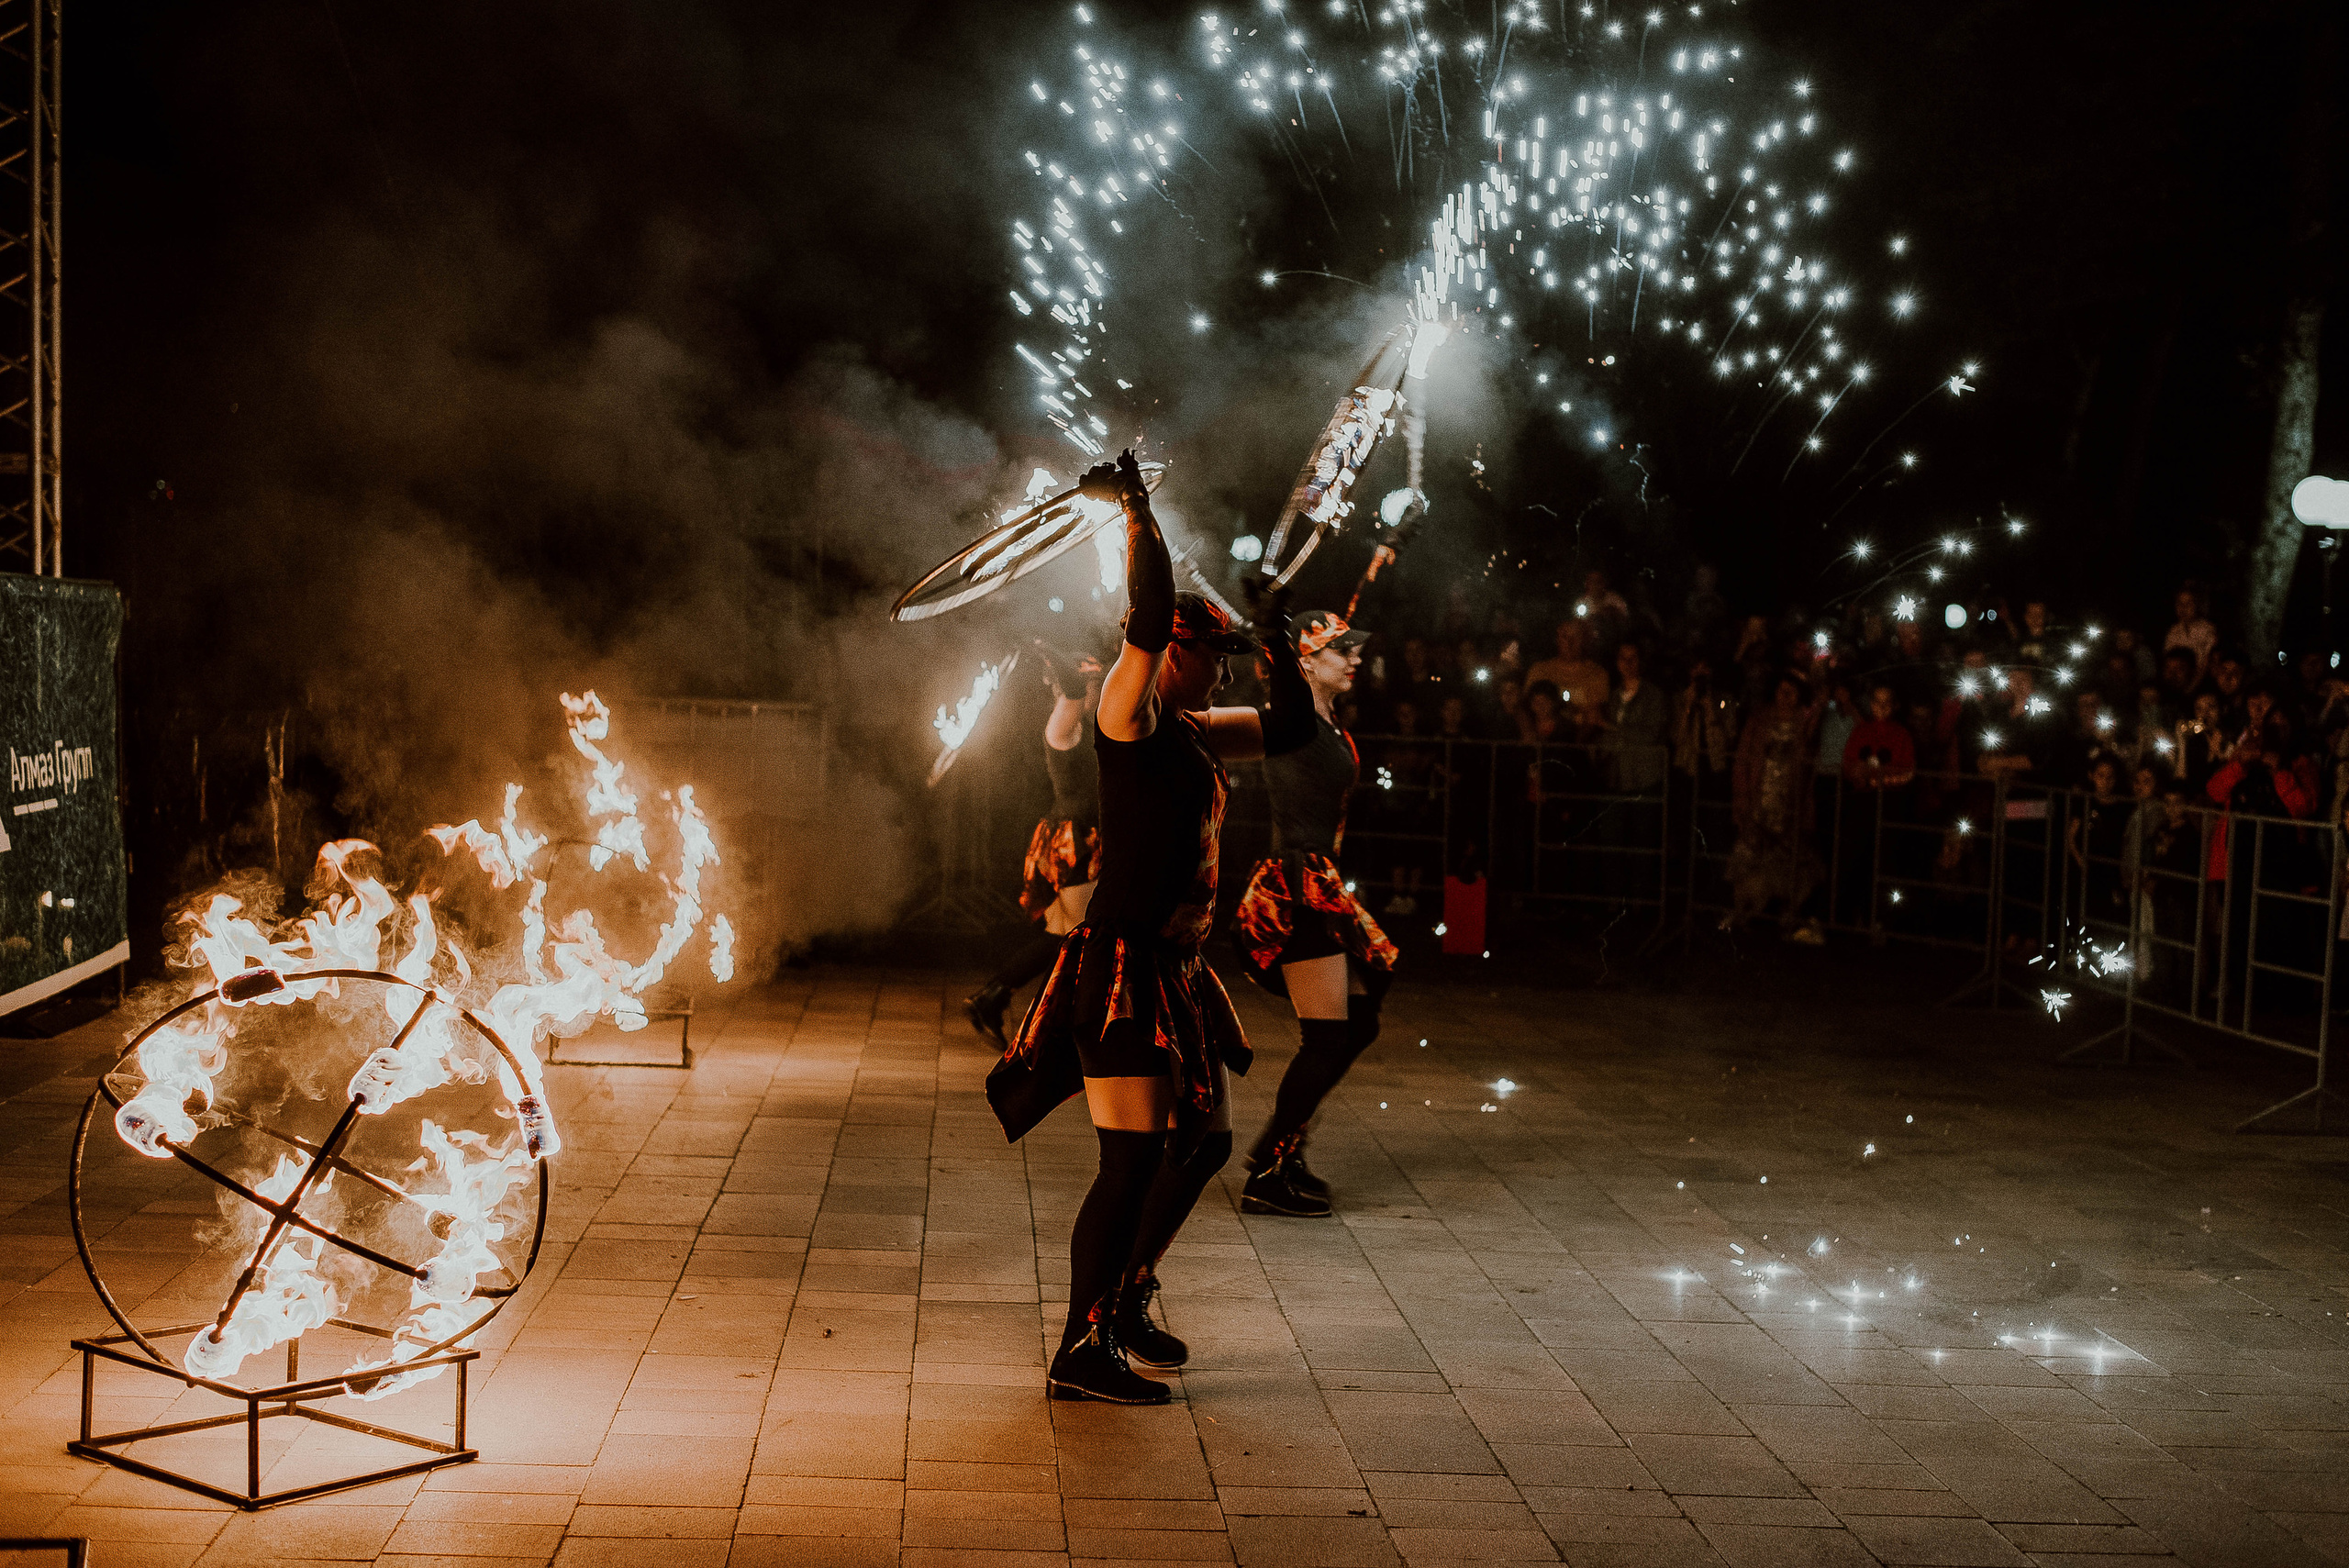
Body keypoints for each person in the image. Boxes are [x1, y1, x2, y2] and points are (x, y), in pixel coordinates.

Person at [985, 450, 1316, 1405]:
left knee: (1202, 1143)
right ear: (1172, 650)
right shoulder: (1127, 715)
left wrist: (1278, 637)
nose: (1219, 671)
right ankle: (1080, 1347)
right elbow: (1146, 613)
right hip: (1122, 968)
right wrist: (1134, 508)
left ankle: (1126, 1297)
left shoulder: (1199, 729)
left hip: (1176, 969)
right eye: (1210, 655)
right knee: (1128, 1159)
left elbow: (1291, 727)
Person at [1233, 610, 1400, 1218]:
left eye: (1354, 648)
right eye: (1340, 649)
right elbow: (1281, 681)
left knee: (1360, 1021)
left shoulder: (1327, 719)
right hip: (1297, 890)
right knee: (1328, 1036)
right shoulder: (1295, 717)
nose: (1354, 658)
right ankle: (1270, 1174)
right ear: (1304, 663)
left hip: (1320, 884)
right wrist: (1274, 634)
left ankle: (1281, 1149)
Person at [964, 647, 1103, 1048]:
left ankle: (993, 998)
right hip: (1071, 842)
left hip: (1089, 840)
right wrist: (1051, 651)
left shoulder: (1095, 727)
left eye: (1100, 684)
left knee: (1064, 934)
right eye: (1094, 685)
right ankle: (1050, 1023)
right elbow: (1072, 692)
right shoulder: (1064, 724)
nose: (1100, 692)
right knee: (1082, 935)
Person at [1725, 673, 1825, 939]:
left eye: (1792, 691)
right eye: (1782, 690)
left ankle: (1786, 917)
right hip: (1758, 801)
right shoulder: (1759, 720)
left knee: (1789, 861)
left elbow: (1810, 761)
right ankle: (1742, 913)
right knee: (1749, 857)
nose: (1786, 696)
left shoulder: (1805, 723)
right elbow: (1743, 760)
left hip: (1789, 804)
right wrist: (1741, 797)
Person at [1523, 619, 1609, 731]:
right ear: (1557, 639)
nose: (1569, 643)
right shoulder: (1539, 671)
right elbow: (1526, 708)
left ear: (1584, 640)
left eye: (1575, 637)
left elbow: (1595, 714)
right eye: (1564, 637)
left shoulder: (1596, 674)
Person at [2164, 585, 2218, 679]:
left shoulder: (2208, 630)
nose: (2183, 608)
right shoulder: (2173, 631)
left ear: (2197, 605)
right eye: (2180, 603)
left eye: (2188, 604)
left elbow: (2208, 662)